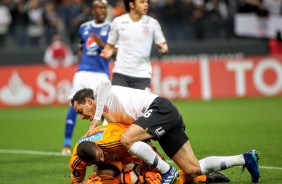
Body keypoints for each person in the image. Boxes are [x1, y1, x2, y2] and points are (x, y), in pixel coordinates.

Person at [71, 79, 260, 184]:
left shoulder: (103, 93)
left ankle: (168, 172)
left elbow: (104, 83)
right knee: (192, 169)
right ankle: (245, 158)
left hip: (159, 108)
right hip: (163, 116)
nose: (82, 117)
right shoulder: (109, 117)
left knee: (126, 139)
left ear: (89, 101)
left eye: (80, 111)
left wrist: (95, 118)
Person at [70, 123, 230, 184]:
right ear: (88, 163)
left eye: (102, 154)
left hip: (132, 145)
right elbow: (76, 182)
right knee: (103, 179)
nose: (103, 158)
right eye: (98, 160)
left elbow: (144, 145)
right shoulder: (77, 161)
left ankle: (200, 177)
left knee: (151, 178)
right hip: (116, 161)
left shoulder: (116, 140)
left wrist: (156, 168)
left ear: (98, 146)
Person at [61, 0, 111, 155]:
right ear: (93, 10)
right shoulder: (84, 27)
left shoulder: (112, 27)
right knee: (73, 104)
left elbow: (114, 49)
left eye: (104, 7)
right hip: (82, 72)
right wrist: (78, 66)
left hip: (100, 72)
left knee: (103, 107)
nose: (102, 10)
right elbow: (82, 48)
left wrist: (100, 42)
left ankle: (103, 142)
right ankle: (67, 144)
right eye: (99, 7)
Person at [100, 0, 168, 91]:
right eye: (142, 2)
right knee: (118, 105)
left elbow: (163, 45)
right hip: (121, 73)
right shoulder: (118, 22)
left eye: (146, 2)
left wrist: (163, 49)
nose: (146, 5)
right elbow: (110, 46)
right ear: (132, 4)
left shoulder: (152, 23)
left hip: (142, 74)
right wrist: (108, 52)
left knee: (142, 105)